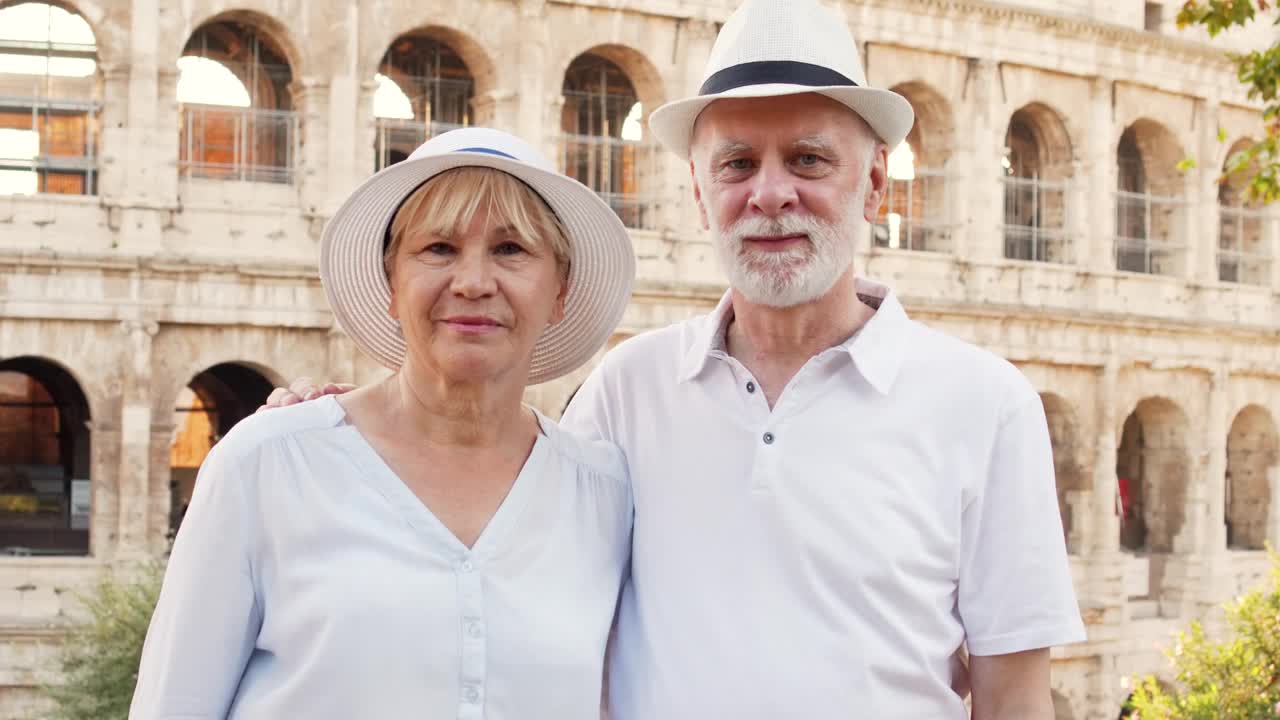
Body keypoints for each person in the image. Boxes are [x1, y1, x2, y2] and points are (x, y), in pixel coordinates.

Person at [268, 1, 1086, 717]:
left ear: (874, 183)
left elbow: (1014, 695)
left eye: (807, 159)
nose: (769, 194)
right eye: (737, 164)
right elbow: (487, 504)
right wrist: (345, 435)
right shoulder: (629, 388)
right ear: (699, 194)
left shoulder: (983, 404)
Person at [129, 128, 637, 719]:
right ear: (391, 285)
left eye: (511, 250)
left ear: (560, 293)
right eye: (439, 249)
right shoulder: (267, 464)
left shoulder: (604, 493)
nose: (473, 282)